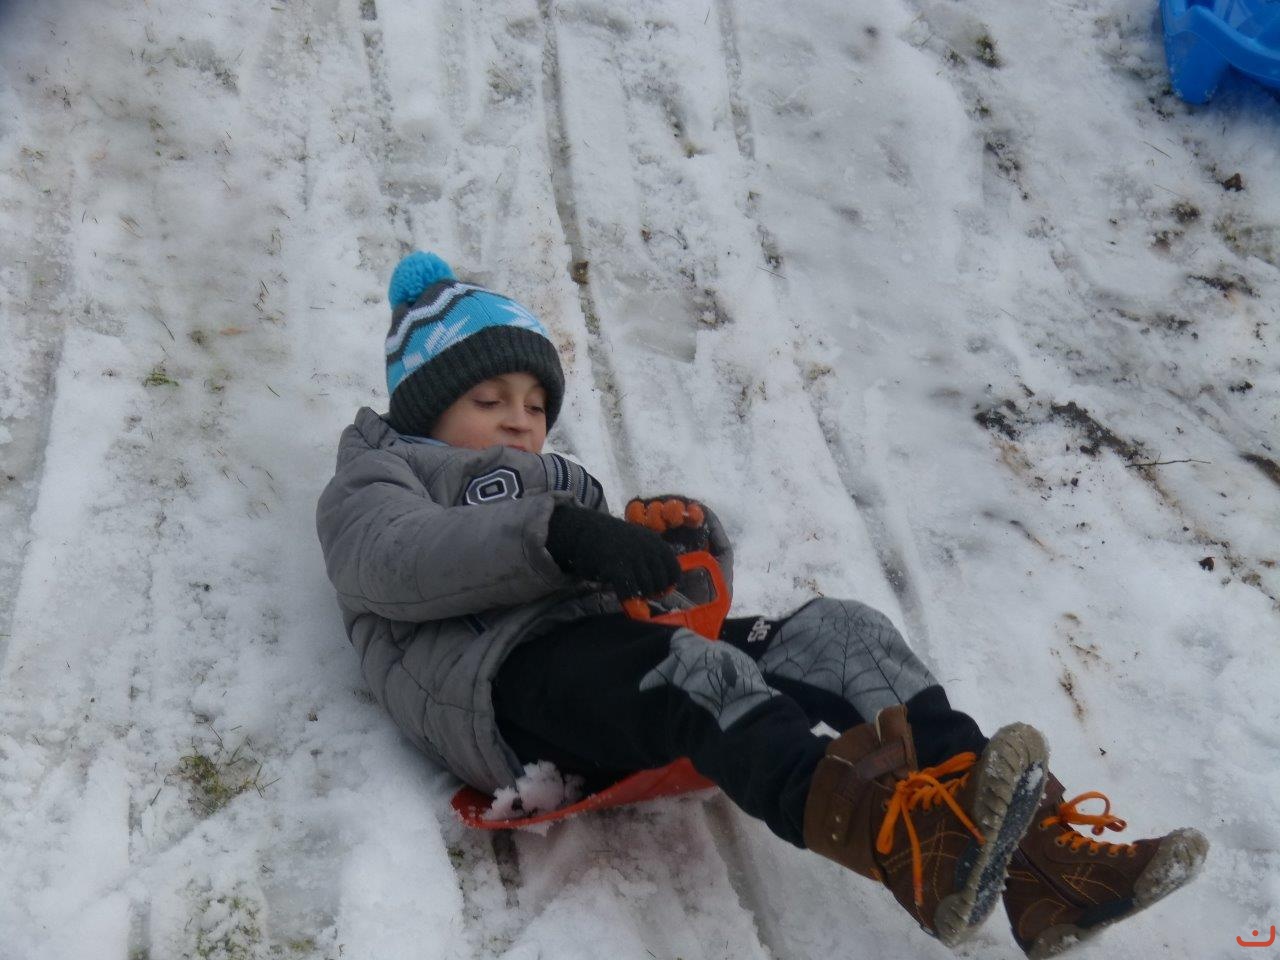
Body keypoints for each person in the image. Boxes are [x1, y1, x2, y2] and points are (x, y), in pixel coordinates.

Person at [315, 251, 1208, 955]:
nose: (521, 418)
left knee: (840, 634)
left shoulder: (561, 486)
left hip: (610, 661)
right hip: (501, 689)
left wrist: (681, 552)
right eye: (489, 398)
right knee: (695, 671)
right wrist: (563, 535)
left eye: (537, 402)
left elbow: (665, 609)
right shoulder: (380, 476)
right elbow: (394, 562)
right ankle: (909, 848)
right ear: (425, 405)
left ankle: (1045, 869)